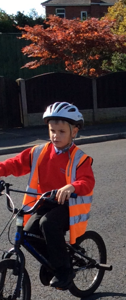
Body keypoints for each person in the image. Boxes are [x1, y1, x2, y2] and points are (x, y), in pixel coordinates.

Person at [0, 102, 95, 289]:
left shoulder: (79, 157)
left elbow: (87, 181)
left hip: (69, 205)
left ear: (73, 132)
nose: (55, 136)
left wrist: (72, 187)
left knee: (48, 224)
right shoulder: (39, 152)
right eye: (52, 130)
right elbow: (15, 164)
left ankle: (63, 269)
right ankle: (52, 262)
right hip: (45, 201)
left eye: (61, 132)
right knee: (28, 232)